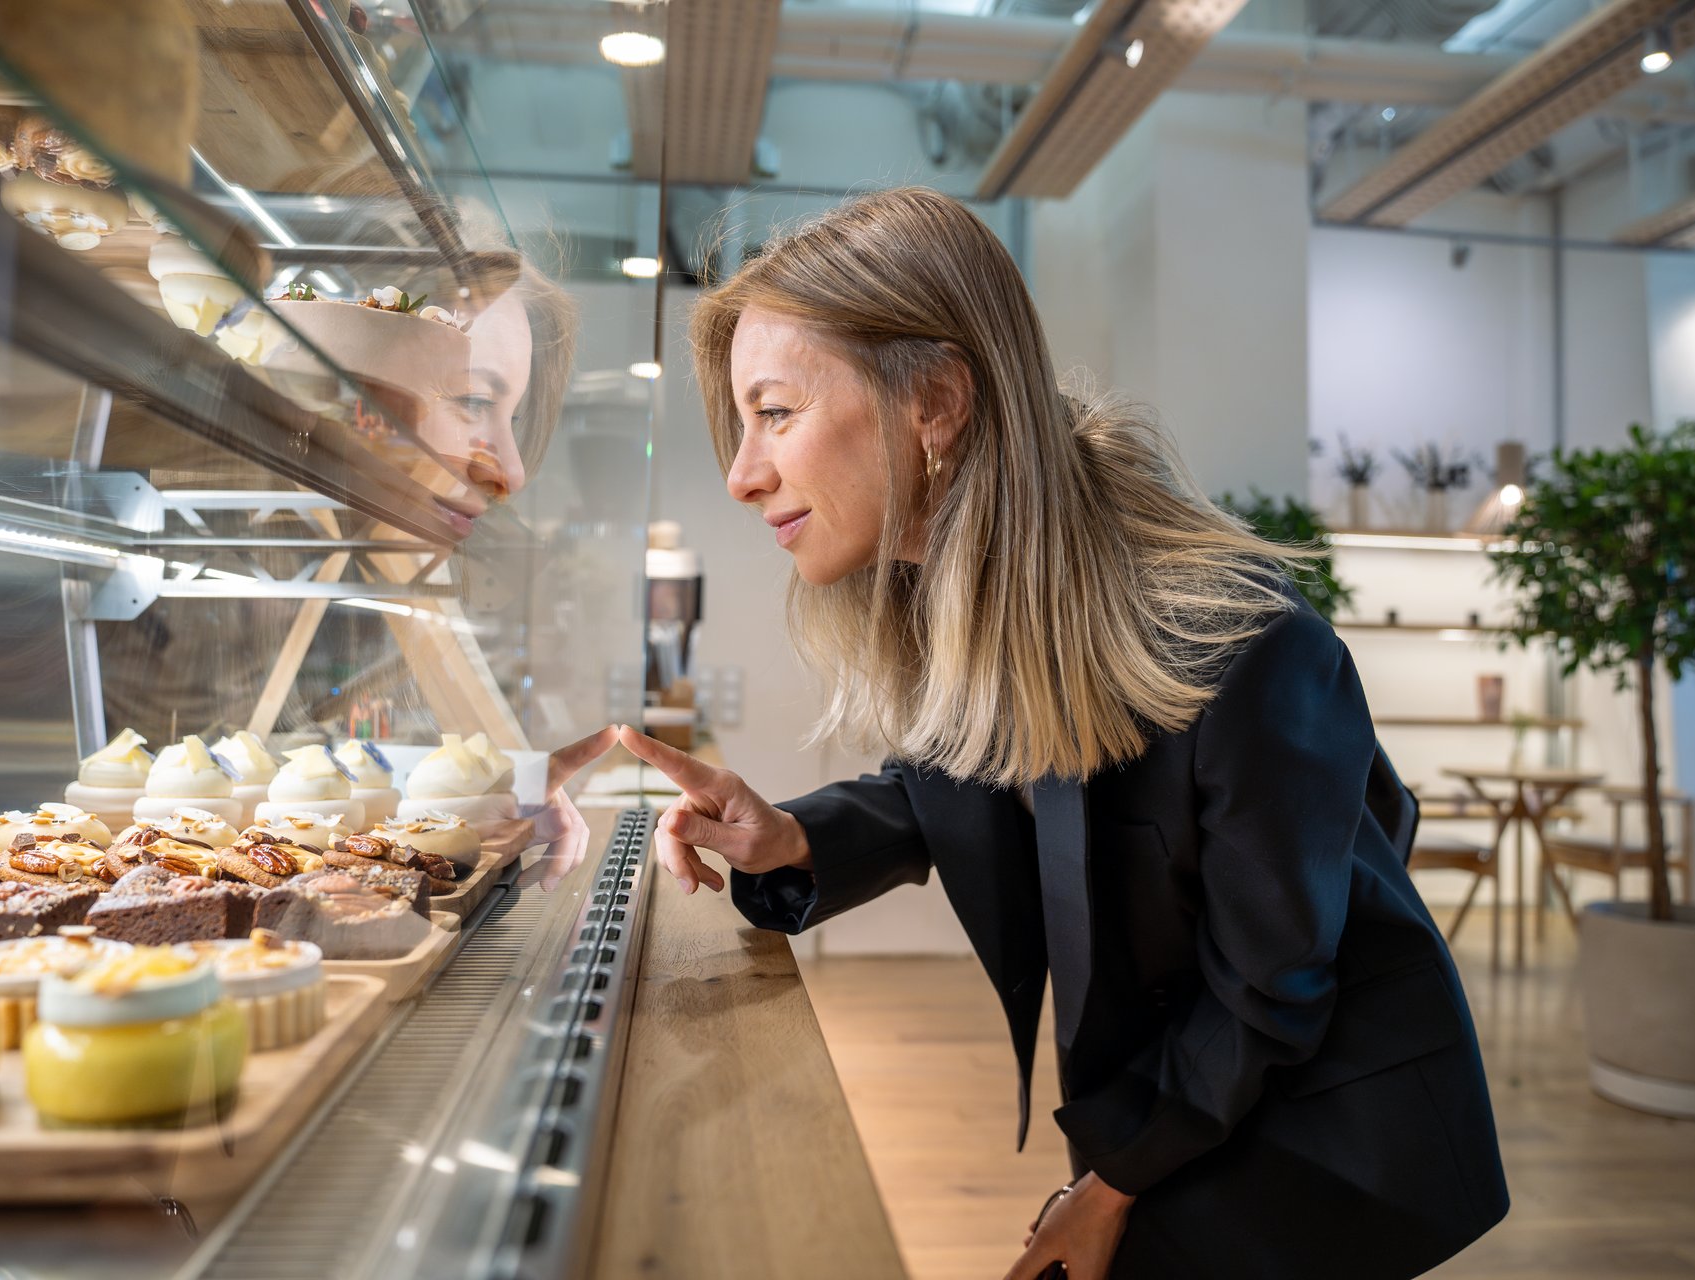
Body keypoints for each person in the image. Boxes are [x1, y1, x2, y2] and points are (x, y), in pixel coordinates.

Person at [620, 187, 1508, 1279]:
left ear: (937, 400)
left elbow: (1273, 990)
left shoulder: (1240, 641)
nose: (742, 473)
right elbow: (959, 773)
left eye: (778, 412)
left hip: (1321, 1134)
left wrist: (1114, 1183)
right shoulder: (1003, 602)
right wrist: (791, 837)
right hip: (1187, 1099)